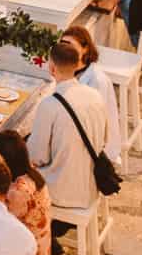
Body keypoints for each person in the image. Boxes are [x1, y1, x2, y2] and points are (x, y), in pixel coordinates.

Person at [25, 41, 109, 246]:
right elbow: (104, 138)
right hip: (90, 185)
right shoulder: (95, 96)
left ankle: (41, 245)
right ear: (78, 64)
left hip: (62, 192)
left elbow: (37, 157)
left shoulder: (50, 105)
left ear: (51, 67)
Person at [51, 27, 122, 168]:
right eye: (62, 44)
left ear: (85, 49)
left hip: (94, 146)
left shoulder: (97, 80)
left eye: (69, 45)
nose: (65, 49)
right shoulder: (66, 71)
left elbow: (93, 123)